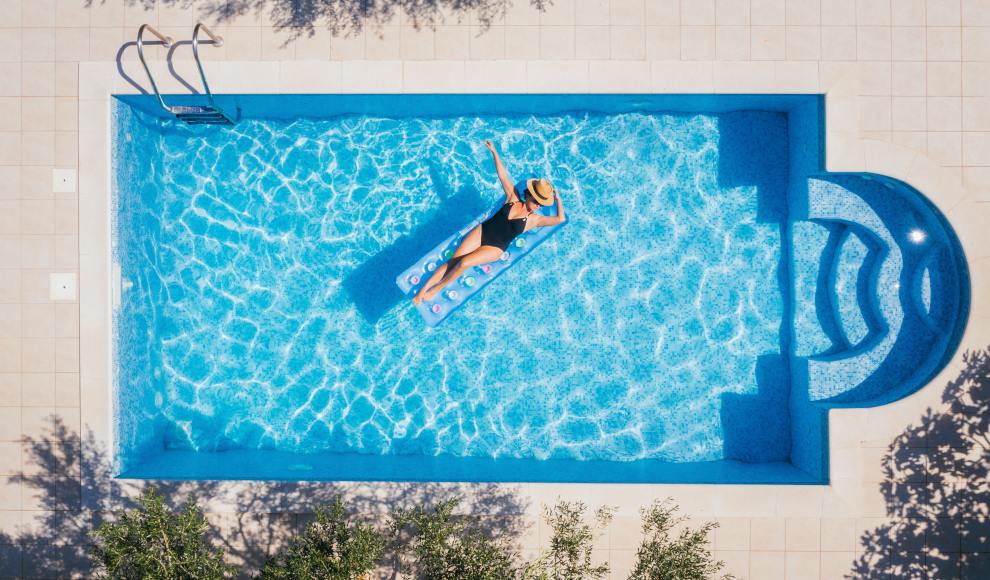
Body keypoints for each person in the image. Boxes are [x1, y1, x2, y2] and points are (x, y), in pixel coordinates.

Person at [412, 140, 566, 305]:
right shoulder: (513, 197)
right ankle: (422, 291)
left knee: (464, 262)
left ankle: (435, 289)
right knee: (453, 262)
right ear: (529, 195)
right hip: (482, 232)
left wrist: (557, 199)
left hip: (495, 248)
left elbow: (560, 219)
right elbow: (503, 175)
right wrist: (494, 152)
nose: (537, 206)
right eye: (537, 201)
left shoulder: (535, 220)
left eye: (541, 204)